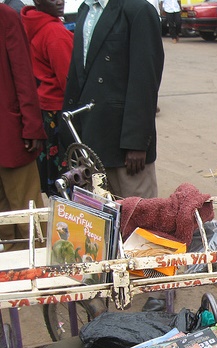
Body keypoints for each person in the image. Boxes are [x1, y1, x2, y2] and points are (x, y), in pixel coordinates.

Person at [62, 0, 164, 199]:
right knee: (100, 220)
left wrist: (137, 142)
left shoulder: (138, 10)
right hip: (90, 140)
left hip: (125, 150)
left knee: (136, 222)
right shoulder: (85, 10)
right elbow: (78, 76)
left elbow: (145, 80)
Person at [0, 3, 46, 253]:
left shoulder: (6, 16)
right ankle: (13, 272)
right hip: (10, 132)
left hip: (11, 133)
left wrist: (31, 126)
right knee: (9, 213)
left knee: (26, 209)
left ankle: (39, 271)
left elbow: (22, 73)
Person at [20, 0, 74, 197]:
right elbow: (69, 80)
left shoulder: (30, 23)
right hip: (59, 108)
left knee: (52, 176)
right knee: (67, 177)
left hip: (44, 109)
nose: (60, 1)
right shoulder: (54, 32)